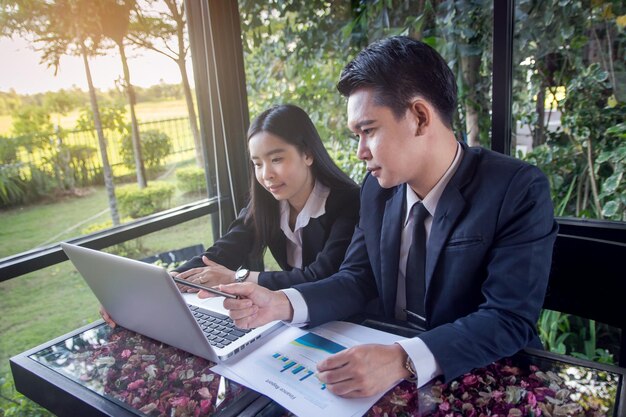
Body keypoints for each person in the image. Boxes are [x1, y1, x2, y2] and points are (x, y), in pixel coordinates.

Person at [202, 36, 558, 398]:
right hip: (387, 375)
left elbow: (508, 318)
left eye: (368, 131)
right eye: (356, 135)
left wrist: (403, 359)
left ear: (419, 117)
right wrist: (282, 302)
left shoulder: (515, 189)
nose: (359, 152)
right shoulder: (377, 191)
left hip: (480, 378)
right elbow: (357, 278)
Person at [101, 104, 360, 326]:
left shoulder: (347, 201)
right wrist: (141, 295)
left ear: (308, 154)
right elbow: (218, 256)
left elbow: (322, 276)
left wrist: (238, 277)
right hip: (288, 319)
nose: (266, 174)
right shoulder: (268, 202)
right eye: (257, 164)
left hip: (346, 322)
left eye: (277, 159)